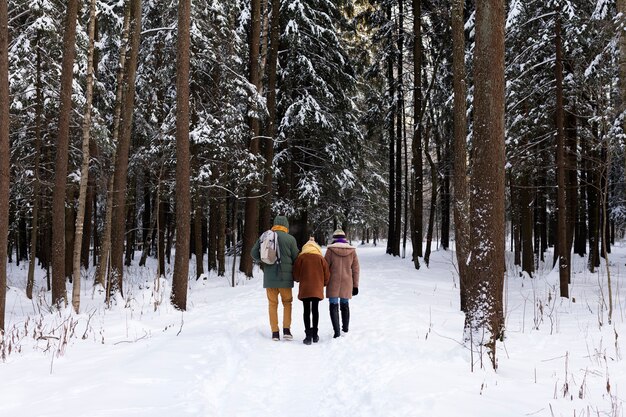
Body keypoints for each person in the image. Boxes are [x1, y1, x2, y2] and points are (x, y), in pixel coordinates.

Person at [251, 215, 299, 341]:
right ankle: (287, 330)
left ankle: (275, 332)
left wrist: (265, 260)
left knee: (272, 304)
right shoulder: (290, 239)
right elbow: (296, 258)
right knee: (287, 303)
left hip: (269, 279)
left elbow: (254, 253)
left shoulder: (266, 236)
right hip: (285, 279)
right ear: (286, 226)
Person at [293, 237, 330, 345]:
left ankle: (308, 336)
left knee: (306, 311)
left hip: (305, 288)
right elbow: (327, 274)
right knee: (315, 310)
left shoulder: (301, 258)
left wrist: (298, 279)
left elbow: (296, 273)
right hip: (317, 288)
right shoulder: (320, 258)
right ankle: (315, 334)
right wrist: (323, 283)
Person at [324, 229, 360, 338]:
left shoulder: (330, 251)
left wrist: (324, 282)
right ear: (345, 238)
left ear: (334, 239)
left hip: (333, 282)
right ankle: (345, 328)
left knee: (333, 305)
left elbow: (325, 268)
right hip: (347, 282)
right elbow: (356, 269)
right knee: (345, 304)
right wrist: (355, 285)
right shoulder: (352, 251)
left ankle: (337, 331)